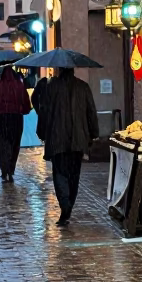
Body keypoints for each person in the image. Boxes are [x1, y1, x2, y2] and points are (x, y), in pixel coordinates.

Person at [36, 67, 98, 226]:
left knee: (60, 173)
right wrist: (93, 133)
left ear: (59, 70)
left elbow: (43, 112)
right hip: (78, 139)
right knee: (74, 174)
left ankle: (65, 204)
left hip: (57, 139)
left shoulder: (51, 88)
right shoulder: (83, 87)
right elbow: (91, 111)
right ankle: (68, 204)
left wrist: (42, 132)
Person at [0, 66, 32, 183]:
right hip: (16, 118)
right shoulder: (19, 85)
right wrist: (24, 110)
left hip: (0, 118)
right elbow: (26, 103)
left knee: (1, 145)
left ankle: (4, 170)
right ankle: (11, 169)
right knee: (14, 144)